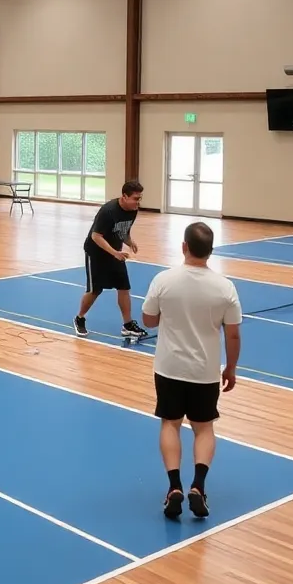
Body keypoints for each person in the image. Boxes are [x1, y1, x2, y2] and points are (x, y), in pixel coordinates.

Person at [141, 222, 242, 521]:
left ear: (184, 247)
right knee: (204, 428)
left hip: (169, 368)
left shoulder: (163, 280)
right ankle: (198, 485)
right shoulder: (225, 287)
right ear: (211, 251)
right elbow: (233, 335)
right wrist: (231, 368)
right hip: (205, 372)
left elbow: (148, 320)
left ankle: (174, 487)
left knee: (170, 424)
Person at [74, 180, 148, 340]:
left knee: (124, 287)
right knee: (95, 290)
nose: (138, 202)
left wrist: (129, 242)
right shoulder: (108, 211)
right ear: (124, 196)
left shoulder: (132, 210)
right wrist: (114, 252)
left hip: (116, 253)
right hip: (96, 253)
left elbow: (122, 231)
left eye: (140, 198)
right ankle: (79, 318)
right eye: (135, 198)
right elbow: (96, 236)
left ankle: (127, 325)